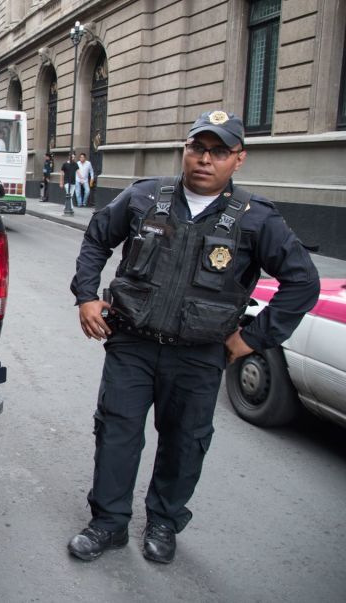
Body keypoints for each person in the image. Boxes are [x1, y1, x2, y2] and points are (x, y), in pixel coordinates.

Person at [66, 110, 319, 565]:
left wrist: (253, 340)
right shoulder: (145, 197)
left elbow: (303, 283)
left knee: (185, 441)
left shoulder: (256, 219)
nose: (205, 159)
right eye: (197, 148)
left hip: (201, 355)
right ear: (184, 151)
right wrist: (87, 296)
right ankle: (108, 523)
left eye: (218, 151)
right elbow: (97, 239)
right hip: (133, 344)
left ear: (237, 160)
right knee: (117, 433)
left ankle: (163, 522)